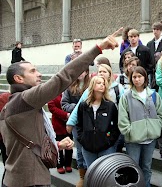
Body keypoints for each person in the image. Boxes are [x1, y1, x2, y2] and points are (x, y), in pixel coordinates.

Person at [0, 28, 120, 187]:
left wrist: (57, 145)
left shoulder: (9, 107)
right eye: (33, 71)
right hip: (30, 181)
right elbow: (62, 78)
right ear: (18, 78)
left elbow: (22, 147)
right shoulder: (24, 99)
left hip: (15, 178)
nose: (39, 74)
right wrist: (98, 48)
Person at [118, 66, 162, 187]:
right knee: (133, 167)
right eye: (134, 77)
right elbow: (122, 117)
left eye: (140, 76)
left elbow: (160, 114)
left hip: (150, 139)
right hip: (133, 139)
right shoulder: (126, 96)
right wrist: (129, 131)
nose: (137, 79)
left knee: (146, 167)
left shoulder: (153, 95)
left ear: (145, 77)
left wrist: (157, 127)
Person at [77, 76, 120, 167]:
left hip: (106, 147)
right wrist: (83, 139)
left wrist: (109, 141)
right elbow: (79, 125)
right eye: (99, 83)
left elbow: (116, 126)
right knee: (92, 173)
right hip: (88, 147)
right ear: (92, 85)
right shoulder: (83, 106)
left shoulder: (110, 106)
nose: (102, 85)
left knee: (105, 174)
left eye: (104, 84)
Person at [62, 70, 90, 187]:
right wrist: (77, 107)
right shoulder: (69, 86)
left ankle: (91, 175)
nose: (80, 73)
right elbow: (64, 104)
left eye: (83, 71)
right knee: (79, 150)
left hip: (90, 122)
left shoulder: (91, 84)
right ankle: (82, 176)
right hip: (77, 123)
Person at [48, 94, 73, 174]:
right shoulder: (54, 92)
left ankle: (68, 164)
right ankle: (60, 165)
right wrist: (65, 115)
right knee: (59, 145)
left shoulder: (69, 91)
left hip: (70, 123)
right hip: (58, 124)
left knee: (69, 145)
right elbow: (51, 107)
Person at [147, 22, 162, 91]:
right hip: (152, 71)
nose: (155, 31)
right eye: (154, 29)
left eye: (157, 29)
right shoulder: (149, 44)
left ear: (161, 30)